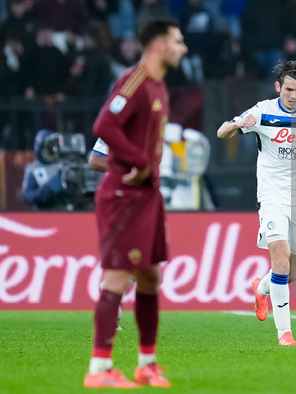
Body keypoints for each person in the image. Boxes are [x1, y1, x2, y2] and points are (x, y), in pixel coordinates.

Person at [83, 15, 187, 388]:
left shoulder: (158, 86)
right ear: (159, 45)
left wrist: (148, 172)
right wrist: (140, 163)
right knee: (117, 277)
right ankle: (99, 369)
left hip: (146, 194)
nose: (183, 48)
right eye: (177, 41)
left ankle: (146, 363)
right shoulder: (136, 79)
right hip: (124, 193)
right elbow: (103, 127)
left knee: (150, 275)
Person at [217, 60, 296, 346]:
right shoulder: (262, 111)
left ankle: (262, 285)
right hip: (272, 195)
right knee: (280, 260)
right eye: (287, 90)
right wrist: (237, 125)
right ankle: (285, 334)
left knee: (290, 273)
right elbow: (222, 132)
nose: (293, 95)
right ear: (278, 87)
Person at [21, 129, 68, 210]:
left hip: (66, 210)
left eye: (55, 149)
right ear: (40, 149)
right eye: (49, 150)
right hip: (44, 212)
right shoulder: (34, 170)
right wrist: (45, 190)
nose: (54, 153)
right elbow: (27, 195)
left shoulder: (65, 166)